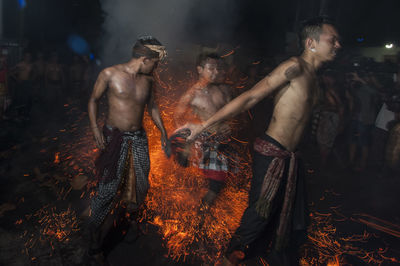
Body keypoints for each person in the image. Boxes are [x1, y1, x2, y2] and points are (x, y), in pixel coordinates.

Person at [177, 17, 341, 265]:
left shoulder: (315, 78)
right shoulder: (294, 66)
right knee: (258, 217)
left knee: (291, 221)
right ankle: (226, 261)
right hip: (272, 154)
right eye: (333, 39)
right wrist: (203, 127)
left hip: (291, 159)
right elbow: (251, 97)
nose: (339, 45)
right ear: (311, 42)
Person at [87, 36, 169, 265]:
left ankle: (131, 217)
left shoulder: (149, 81)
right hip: (114, 138)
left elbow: (152, 106)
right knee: (107, 190)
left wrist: (163, 131)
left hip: (139, 139)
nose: (157, 66)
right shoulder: (109, 74)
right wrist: (95, 129)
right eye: (155, 62)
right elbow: (93, 100)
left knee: (141, 185)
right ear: (145, 59)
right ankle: (94, 246)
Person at [173, 53, 233, 209]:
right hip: (203, 143)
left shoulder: (224, 90)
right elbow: (177, 118)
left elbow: (236, 114)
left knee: (218, 185)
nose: (216, 72)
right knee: (207, 185)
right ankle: (197, 215)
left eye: (218, 69)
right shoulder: (191, 95)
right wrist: (190, 137)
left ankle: (202, 214)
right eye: (211, 68)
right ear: (199, 69)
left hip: (222, 143)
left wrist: (230, 125)